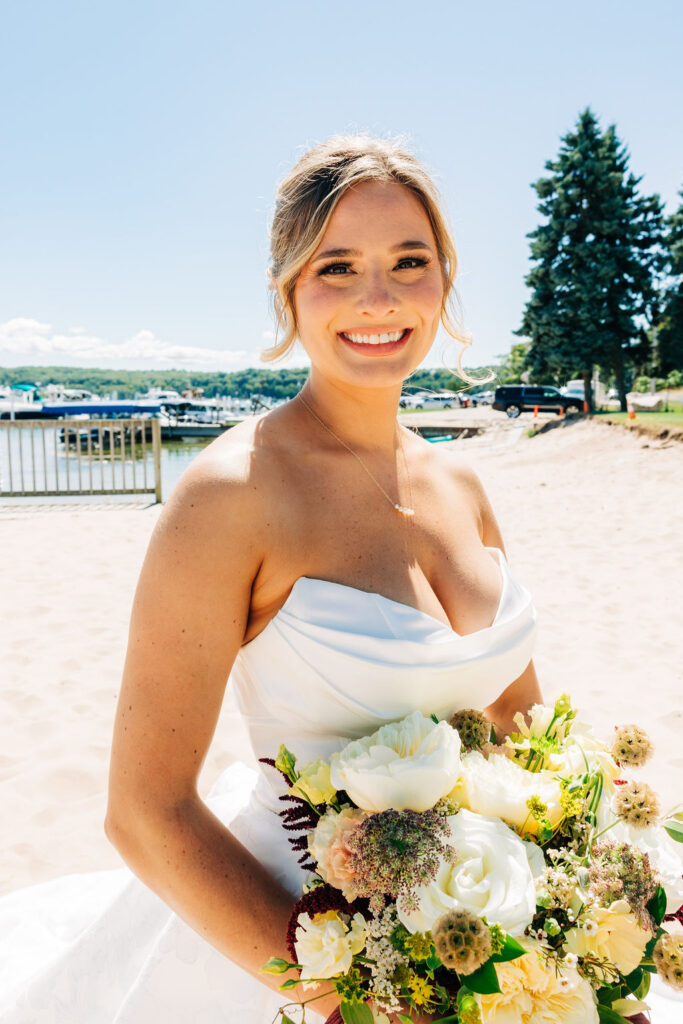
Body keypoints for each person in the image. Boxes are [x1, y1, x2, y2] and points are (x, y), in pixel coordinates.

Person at [0, 136, 660, 1023]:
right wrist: (354, 997)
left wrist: (602, 847)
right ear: (288, 290)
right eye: (337, 266)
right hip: (309, 952)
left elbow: (518, 725)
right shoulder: (230, 495)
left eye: (408, 262)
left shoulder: (462, 483)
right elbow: (144, 813)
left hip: (490, 945)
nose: (378, 298)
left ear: (443, 282)